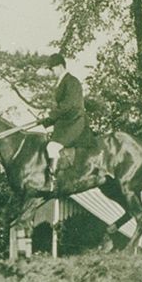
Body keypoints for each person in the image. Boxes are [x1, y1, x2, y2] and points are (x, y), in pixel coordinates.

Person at [39, 53, 91, 189]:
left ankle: (52, 182)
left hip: (75, 122)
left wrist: (50, 116)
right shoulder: (64, 81)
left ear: (60, 67)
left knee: (52, 147)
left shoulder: (71, 81)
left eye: (52, 69)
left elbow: (68, 105)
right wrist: (47, 121)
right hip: (66, 122)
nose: (51, 72)